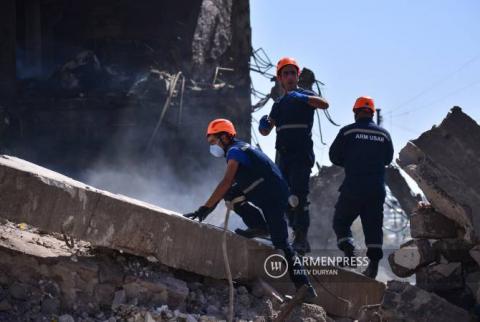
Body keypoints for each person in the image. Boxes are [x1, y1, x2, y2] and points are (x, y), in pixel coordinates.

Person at [184, 118, 317, 297]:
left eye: (214, 141)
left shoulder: (235, 151)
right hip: (261, 187)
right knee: (231, 195)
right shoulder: (241, 147)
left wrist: (205, 208)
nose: (212, 146)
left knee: (282, 245)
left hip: (272, 195)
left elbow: (226, 181)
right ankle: (259, 226)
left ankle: (305, 288)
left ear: (224, 137)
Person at [258, 57, 329, 254]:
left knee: (298, 195)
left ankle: (301, 237)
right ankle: (288, 233)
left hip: (300, 154)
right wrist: (263, 124)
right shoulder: (279, 104)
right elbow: (266, 130)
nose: (289, 77)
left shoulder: (305, 95)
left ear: (297, 76)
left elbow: (324, 104)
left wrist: (302, 98)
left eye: (292, 73)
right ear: (280, 78)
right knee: (282, 195)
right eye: (285, 74)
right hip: (282, 156)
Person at [329, 96, 394, 279]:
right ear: (372, 113)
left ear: (355, 112)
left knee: (341, 221)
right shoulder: (384, 135)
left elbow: (333, 156)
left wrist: (350, 161)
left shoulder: (347, 132)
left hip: (353, 186)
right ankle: (372, 267)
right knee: (373, 227)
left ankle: (349, 254)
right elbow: (388, 160)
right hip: (376, 189)